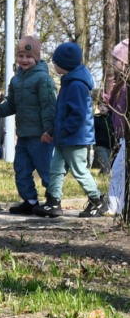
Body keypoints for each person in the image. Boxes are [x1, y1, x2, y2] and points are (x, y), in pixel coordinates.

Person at [0, 36, 56, 215]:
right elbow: (10, 105)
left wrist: (49, 130)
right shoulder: (16, 80)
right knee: (21, 168)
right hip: (24, 135)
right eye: (21, 56)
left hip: (41, 136)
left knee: (46, 168)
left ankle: (53, 200)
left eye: (29, 56)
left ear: (36, 58)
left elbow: (49, 107)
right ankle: (30, 200)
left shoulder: (43, 79)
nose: (24, 60)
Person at [43, 43, 105, 218]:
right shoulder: (68, 82)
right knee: (56, 168)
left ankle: (97, 200)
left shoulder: (76, 85)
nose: (53, 65)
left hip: (75, 138)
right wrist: (53, 130)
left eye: (55, 62)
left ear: (65, 64)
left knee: (79, 170)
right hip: (64, 137)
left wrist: (64, 130)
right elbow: (61, 113)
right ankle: (53, 201)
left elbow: (78, 114)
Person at [105, 39, 129, 216]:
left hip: (127, 137)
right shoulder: (120, 83)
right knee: (120, 171)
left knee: (119, 171)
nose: (113, 63)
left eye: (116, 60)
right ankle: (116, 207)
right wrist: (108, 91)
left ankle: (115, 207)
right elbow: (112, 104)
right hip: (122, 137)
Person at [93, 96, 114, 173]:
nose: (103, 108)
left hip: (110, 145)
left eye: (105, 106)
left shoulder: (111, 116)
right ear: (98, 107)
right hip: (100, 145)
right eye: (100, 106)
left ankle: (101, 175)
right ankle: (107, 179)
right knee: (106, 166)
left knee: (106, 164)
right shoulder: (95, 118)